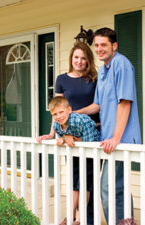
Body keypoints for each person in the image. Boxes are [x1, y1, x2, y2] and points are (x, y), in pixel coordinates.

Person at [76, 27, 141, 224]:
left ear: (114, 45)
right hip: (109, 141)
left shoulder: (121, 64)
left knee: (107, 188)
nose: (99, 49)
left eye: (103, 44)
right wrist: (74, 113)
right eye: (96, 45)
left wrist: (115, 138)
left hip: (120, 140)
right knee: (118, 187)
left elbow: (125, 102)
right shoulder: (104, 70)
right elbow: (98, 105)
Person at [37, 41, 99, 225]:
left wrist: (73, 114)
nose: (79, 61)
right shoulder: (61, 79)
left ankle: (84, 218)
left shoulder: (94, 79)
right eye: (76, 57)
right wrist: (53, 134)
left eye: (83, 58)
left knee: (88, 179)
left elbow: (97, 106)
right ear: (71, 58)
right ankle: (74, 216)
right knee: (75, 178)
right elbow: (58, 110)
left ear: (88, 61)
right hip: (69, 134)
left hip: (90, 133)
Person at [48, 96, 100, 225]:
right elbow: (60, 137)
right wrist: (65, 137)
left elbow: (89, 143)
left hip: (90, 152)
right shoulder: (56, 124)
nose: (59, 116)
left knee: (84, 185)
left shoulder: (80, 121)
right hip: (75, 153)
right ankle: (70, 217)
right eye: (55, 114)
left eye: (61, 112)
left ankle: (80, 219)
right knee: (74, 184)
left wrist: (67, 139)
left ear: (69, 110)